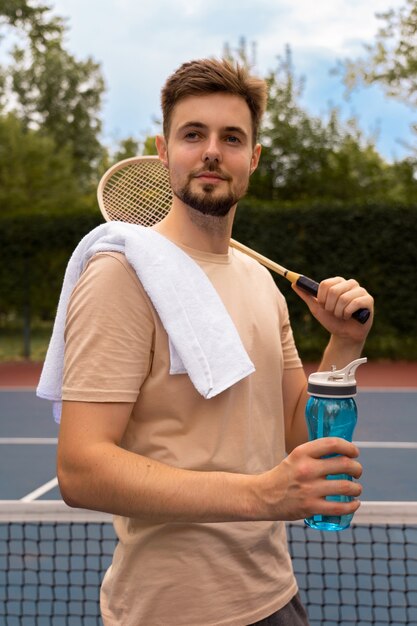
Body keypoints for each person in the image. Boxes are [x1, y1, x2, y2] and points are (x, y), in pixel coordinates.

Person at [57, 58, 374, 626]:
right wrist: (261, 497)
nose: (211, 151)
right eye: (192, 134)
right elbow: (81, 470)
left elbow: (294, 431)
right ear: (164, 150)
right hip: (170, 611)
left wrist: (343, 348)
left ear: (252, 159)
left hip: (275, 594)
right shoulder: (121, 274)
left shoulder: (260, 283)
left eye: (231, 138)